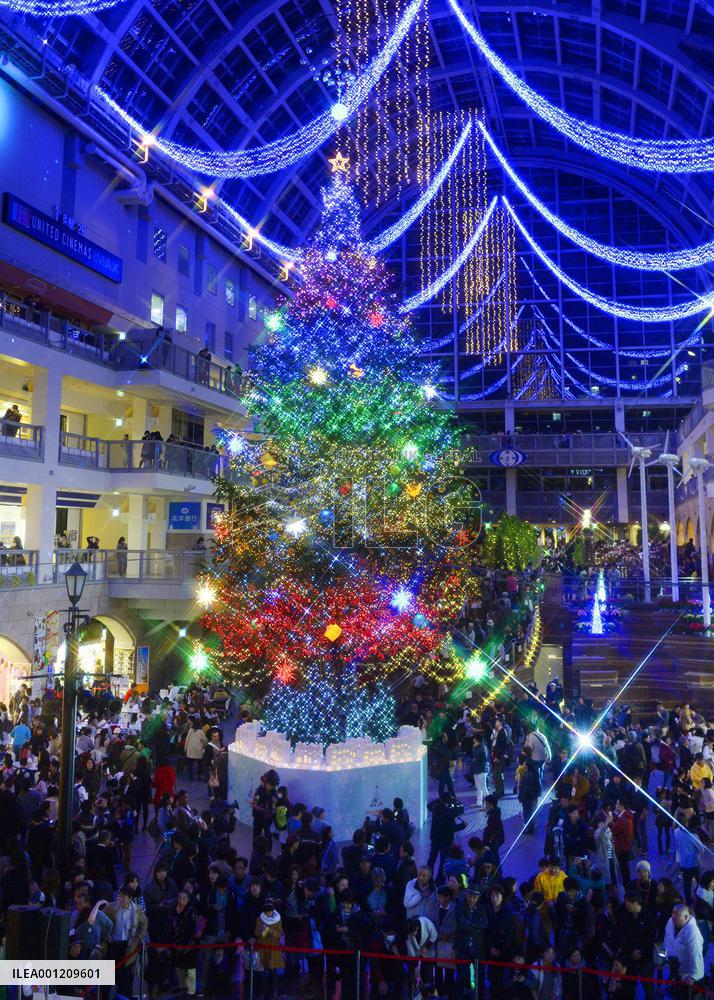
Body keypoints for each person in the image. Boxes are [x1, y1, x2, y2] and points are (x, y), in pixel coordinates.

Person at [102, 886, 148, 999]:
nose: (121, 900)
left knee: (126, 977)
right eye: (120, 897)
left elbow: (144, 922)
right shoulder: (112, 907)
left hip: (129, 947)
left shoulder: (136, 910)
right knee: (108, 975)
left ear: (129, 899)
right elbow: (101, 918)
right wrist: (106, 934)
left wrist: (140, 937)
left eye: (124, 897)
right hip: (113, 945)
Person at [663, 903, 705, 990]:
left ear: (686, 917)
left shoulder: (693, 932)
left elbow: (695, 954)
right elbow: (667, 939)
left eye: (677, 915)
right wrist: (665, 958)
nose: (673, 917)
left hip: (687, 975)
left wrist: (693, 976)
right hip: (674, 967)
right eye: (672, 913)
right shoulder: (670, 921)